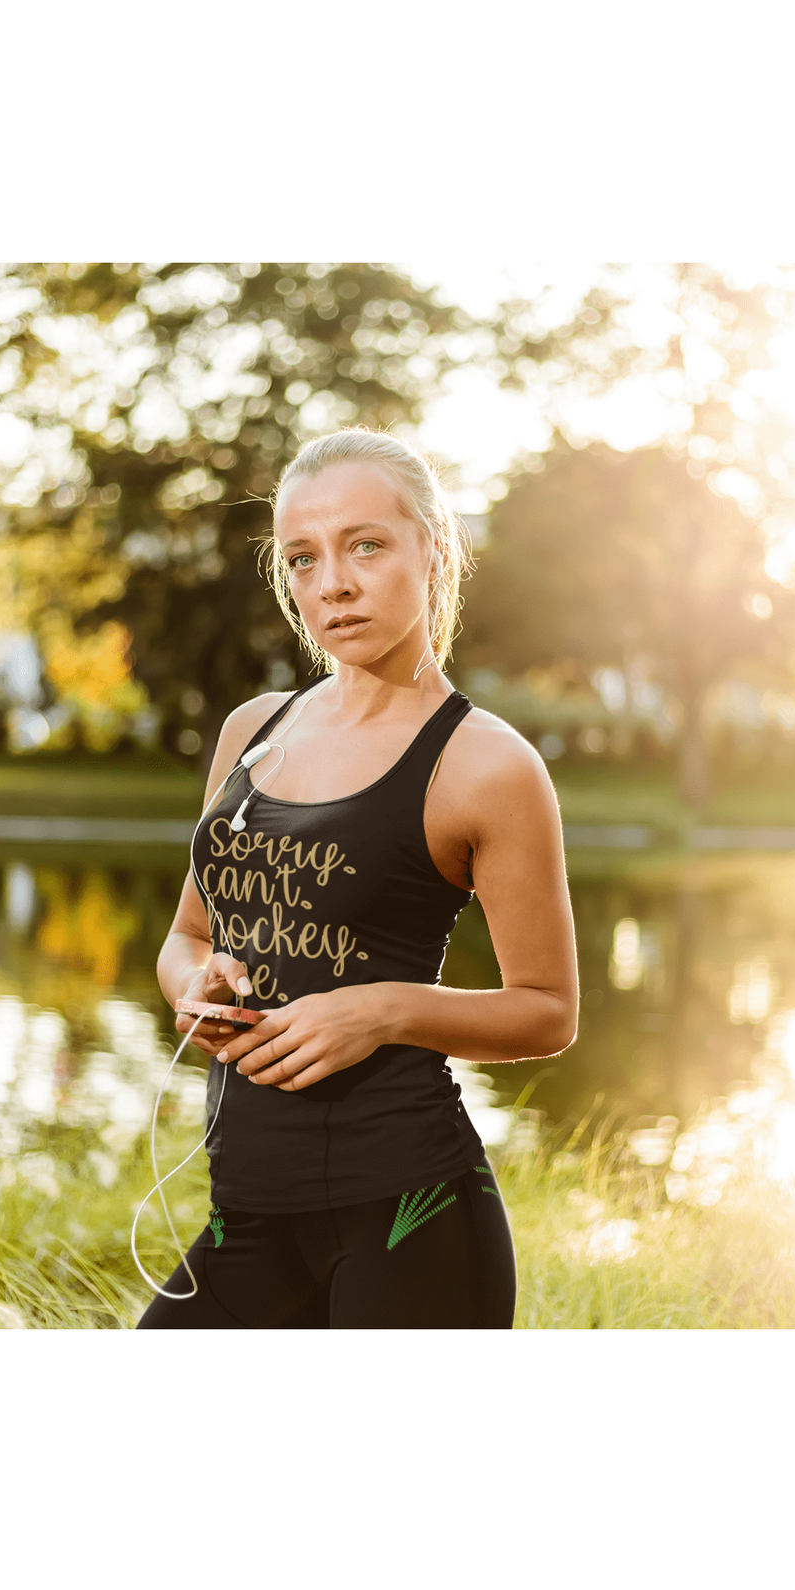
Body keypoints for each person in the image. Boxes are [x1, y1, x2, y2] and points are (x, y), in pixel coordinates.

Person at [136, 428, 579, 1329]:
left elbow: (547, 1011)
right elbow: (188, 938)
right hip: (247, 1213)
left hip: (413, 1218)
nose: (332, 582)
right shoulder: (253, 731)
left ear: (433, 548)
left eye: (365, 546)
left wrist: (384, 1009)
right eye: (303, 559)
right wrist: (198, 987)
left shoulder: (487, 766)